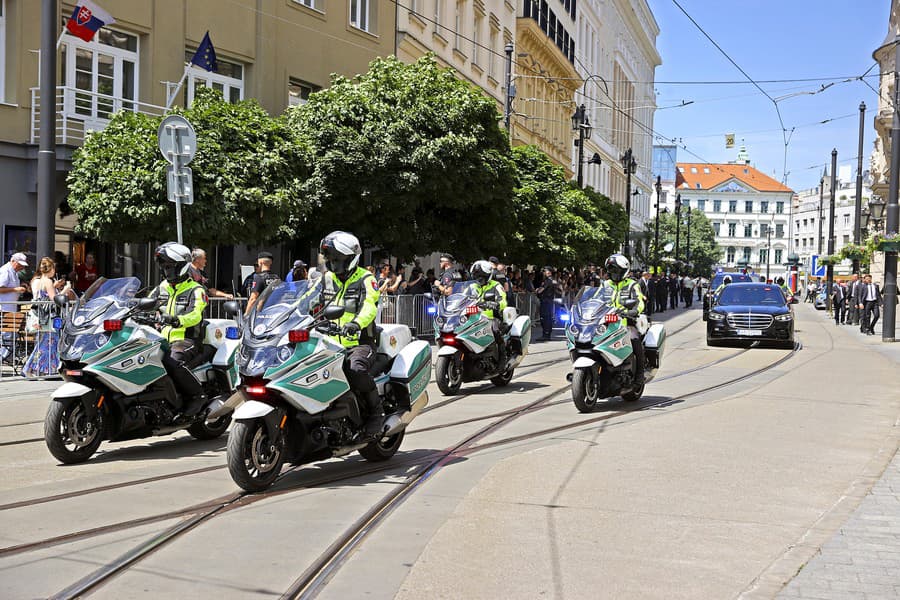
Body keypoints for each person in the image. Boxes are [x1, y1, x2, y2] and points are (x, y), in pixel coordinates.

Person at [319, 231, 384, 435]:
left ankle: (376, 412)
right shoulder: (326, 279)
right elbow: (306, 300)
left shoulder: (366, 278)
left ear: (351, 258)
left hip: (359, 342)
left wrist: (356, 323)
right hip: (329, 343)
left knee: (355, 369)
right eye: (330, 259)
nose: (333, 263)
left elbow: (369, 306)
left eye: (338, 259)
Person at [150, 243, 209, 416]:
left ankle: (198, 395)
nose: (165, 271)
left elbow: (196, 315)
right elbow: (144, 304)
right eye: (163, 267)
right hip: (162, 339)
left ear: (181, 267)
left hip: (187, 339)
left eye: (169, 267)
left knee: (172, 361)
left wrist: (176, 320)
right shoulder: (162, 288)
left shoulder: (196, 290)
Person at [23, 257, 69, 377]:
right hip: (48, 318)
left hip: (39, 317)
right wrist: (65, 290)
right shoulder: (48, 281)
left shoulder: (36, 280)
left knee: (43, 344)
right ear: (51, 269)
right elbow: (55, 299)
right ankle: (32, 368)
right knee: (48, 344)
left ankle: (38, 369)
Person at [605, 254, 645, 385]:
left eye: (617, 271)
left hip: (626, 322)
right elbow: (594, 299)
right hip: (605, 323)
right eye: (611, 271)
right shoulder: (605, 285)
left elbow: (639, 301)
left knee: (634, 340)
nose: (614, 274)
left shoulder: (632, 284)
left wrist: (632, 312)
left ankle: (639, 375)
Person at [470, 260, 508, 367]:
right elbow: (462, 298)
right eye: (476, 276)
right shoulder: (472, 287)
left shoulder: (496, 285)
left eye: (481, 276)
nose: (478, 278)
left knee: (495, 330)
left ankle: (502, 358)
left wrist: (494, 304)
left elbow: (503, 301)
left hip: (491, 317)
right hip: (474, 318)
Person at [244, 252, 279, 316]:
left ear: (260, 262)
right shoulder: (276, 278)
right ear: (271, 262)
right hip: (274, 313)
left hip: (262, 314)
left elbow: (253, 299)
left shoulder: (258, 277)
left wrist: (246, 314)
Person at [535, 266, 560, 341]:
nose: (544, 273)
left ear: (549, 272)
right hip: (549, 301)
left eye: (544, 271)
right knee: (548, 318)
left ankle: (545, 334)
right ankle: (547, 334)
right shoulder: (552, 280)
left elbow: (541, 290)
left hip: (546, 301)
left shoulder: (548, 281)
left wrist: (537, 290)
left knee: (545, 318)